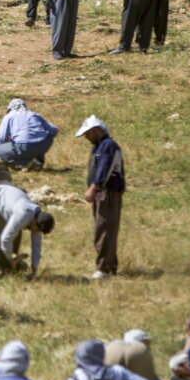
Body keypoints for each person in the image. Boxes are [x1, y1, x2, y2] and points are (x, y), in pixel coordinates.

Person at [0, 182, 54, 277]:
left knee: (15, 235)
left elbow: (36, 245)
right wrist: (10, 260)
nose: (36, 232)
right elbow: (5, 239)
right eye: (37, 230)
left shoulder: (38, 218)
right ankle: (2, 268)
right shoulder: (22, 215)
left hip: (1, 202)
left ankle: (8, 264)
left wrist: (34, 270)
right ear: (35, 222)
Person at [78, 116, 124, 280]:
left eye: (88, 133)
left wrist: (92, 188)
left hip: (107, 194)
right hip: (102, 194)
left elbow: (105, 169)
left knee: (104, 231)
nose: (86, 137)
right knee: (104, 230)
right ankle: (109, 266)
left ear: (96, 130)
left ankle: (104, 269)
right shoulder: (99, 147)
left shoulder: (107, 146)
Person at [0, 98, 58, 169]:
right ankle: (37, 161)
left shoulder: (9, 116)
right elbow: (54, 130)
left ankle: (22, 164)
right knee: (41, 140)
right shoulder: (34, 114)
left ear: (9, 109)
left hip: (23, 146)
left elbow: (1, 139)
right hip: (43, 146)